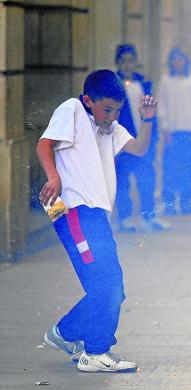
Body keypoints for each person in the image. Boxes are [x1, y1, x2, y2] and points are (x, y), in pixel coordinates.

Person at [36, 70, 158, 372]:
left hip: (95, 214)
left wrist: (148, 119)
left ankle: (65, 334)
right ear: (89, 100)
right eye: (107, 109)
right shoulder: (72, 110)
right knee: (107, 286)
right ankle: (95, 351)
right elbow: (44, 144)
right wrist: (54, 176)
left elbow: (140, 148)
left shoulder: (110, 127)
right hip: (73, 211)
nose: (112, 116)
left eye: (117, 110)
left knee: (112, 286)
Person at [114, 44, 170, 232]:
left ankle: (149, 217)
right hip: (125, 142)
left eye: (131, 61)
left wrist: (154, 136)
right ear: (118, 63)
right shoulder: (115, 85)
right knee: (123, 181)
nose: (127, 65)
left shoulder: (144, 83)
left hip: (144, 139)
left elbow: (152, 111)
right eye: (123, 62)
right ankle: (126, 218)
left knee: (147, 178)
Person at [158, 48, 191, 215]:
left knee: (187, 168)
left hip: (188, 132)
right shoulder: (166, 81)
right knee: (170, 168)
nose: (178, 63)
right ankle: (169, 204)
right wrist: (166, 128)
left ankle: (186, 203)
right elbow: (162, 105)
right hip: (172, 132)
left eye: (181, 59)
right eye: (175, 60)